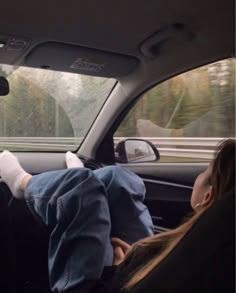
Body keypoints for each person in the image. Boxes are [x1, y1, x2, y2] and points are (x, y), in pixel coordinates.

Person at [0, 139, 235, 292]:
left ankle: (23, 184)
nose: (201, 174)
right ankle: (89, 181)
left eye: (206, 170)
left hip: (113, 286)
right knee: (118, 179)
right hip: (143, 270)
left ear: (208, 196)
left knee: (79, 188)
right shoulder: (216, 243)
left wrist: (120, 272)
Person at [0, 150, 153, 293]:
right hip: (149, 273)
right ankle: (82, 178)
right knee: (117, 177)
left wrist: (117, 274)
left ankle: (22, 182)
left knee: (80, 185)